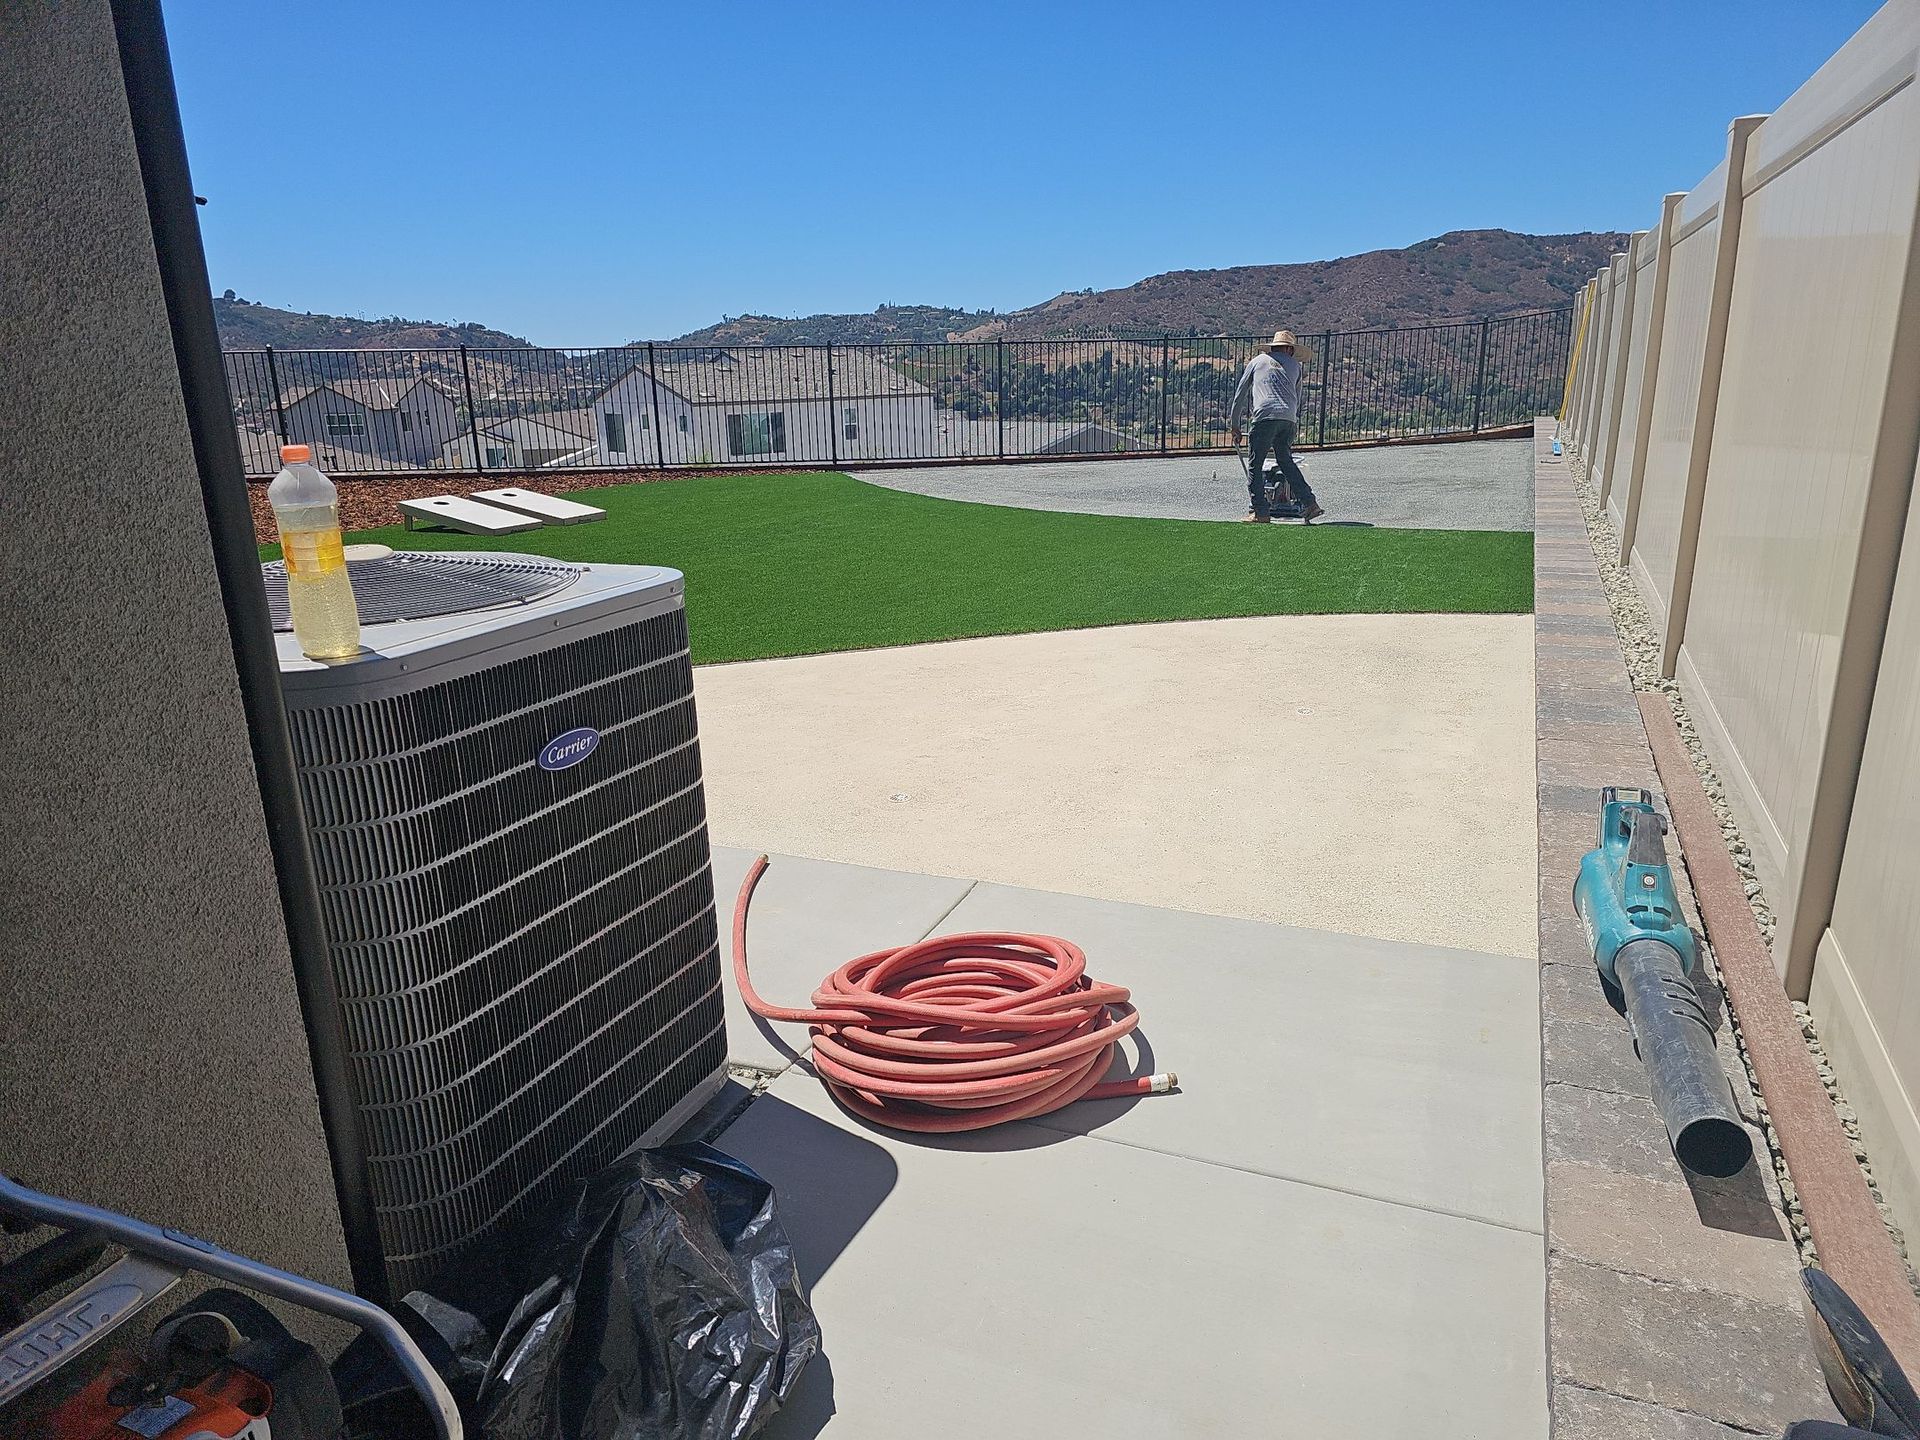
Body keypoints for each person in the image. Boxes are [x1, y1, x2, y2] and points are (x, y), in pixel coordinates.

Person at [1228, 330, 1324, 523]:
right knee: (1285, 460)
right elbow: (1297, 399)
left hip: (1265, 417)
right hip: (1288, 418)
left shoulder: (1257, 361)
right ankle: (1309, 502)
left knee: (1255, 463)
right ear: (1289, 349)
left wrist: (1235, 425)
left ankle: (1261, 512)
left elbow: (1240, 395)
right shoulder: (1296, 366)